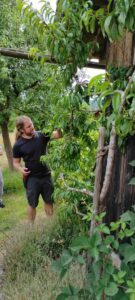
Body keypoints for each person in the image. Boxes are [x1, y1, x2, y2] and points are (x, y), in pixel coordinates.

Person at [13, 115, 62, 222]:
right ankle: (31, 228)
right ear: (21, 130)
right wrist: (21, 170)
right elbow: (15, 162)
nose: (32, 127)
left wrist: (60, 122)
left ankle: (50, 224)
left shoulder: (42, 135)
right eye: (28, 126)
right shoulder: (18, 145)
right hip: (31, 178)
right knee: (32, 204)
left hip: (46, 175)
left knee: (49, 201)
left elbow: (58, 135)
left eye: (32, 124)